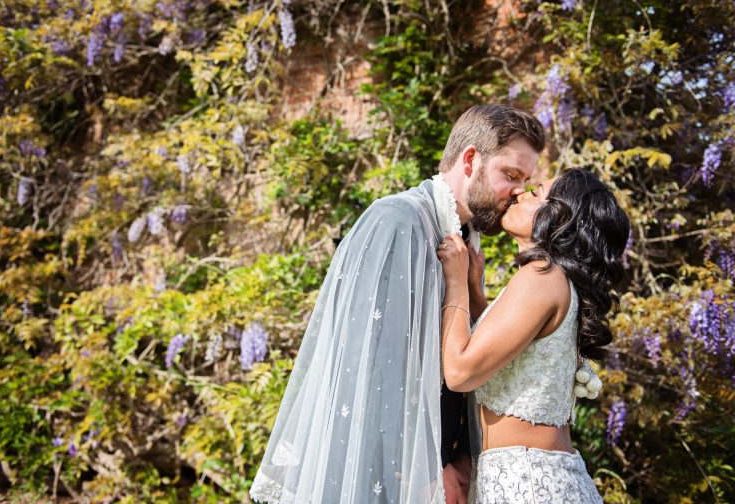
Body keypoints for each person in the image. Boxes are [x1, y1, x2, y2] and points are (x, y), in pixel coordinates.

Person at [250, 105, 545, 503]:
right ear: (471, 160)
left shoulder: (465, 241)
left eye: (524, 180)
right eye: (510, 175)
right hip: (392, 473)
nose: (518, 191)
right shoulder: (398, 221)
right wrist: (420, 472)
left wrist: (460, 459)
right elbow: (372, 369)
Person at [437, 168, 630, 503]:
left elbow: (460, 371)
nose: (520, 194)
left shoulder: (543, 276)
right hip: (532, 478)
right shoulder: (557, 281)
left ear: (561, 219)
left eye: (537, 192)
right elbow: (509, 355)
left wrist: (455, 284)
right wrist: (475, 291)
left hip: (526, 482)